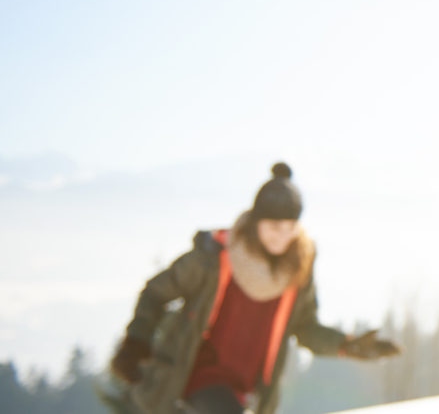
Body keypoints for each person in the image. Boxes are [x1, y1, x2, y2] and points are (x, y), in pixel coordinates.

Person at [105, 163, 400, 414]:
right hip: (195, 377)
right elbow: (156, 292)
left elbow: (305, 327)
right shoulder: (216, 257)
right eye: (273, 227)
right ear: (256, 222)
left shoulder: (298, 269)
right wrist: (137, 341)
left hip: (248, 388)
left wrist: (346, 345)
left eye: (289, 228)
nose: (281, 237)